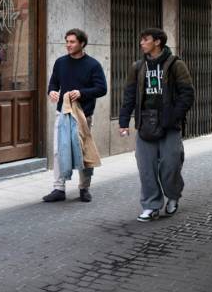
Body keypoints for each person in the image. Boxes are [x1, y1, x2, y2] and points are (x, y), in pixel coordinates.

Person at [118, 28, 194, 222]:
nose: (141, 43)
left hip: (169, 124)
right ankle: (151, 206)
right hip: (145, 123)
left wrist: (173, 117)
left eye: (146, 40)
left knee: (170, 165)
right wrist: (124, 121)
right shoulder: (137, 67)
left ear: (158, 42)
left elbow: (187, 94)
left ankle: (173, 195)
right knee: (146, 167)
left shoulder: (176, 64)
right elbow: (129, 95)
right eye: (141, 40)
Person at [43, 29, 107, 203]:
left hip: (83, 116)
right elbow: (53, 83)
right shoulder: (60, 62)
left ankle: (84, 188)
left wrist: (81, 93)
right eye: (67, 41)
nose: (68, 45)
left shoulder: (93, 65)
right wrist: (53, 92)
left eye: (72, 42)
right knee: (58, 151)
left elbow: (102, 89)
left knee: (83, 152)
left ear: (82, 44)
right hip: (62, 113)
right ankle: (58, 188)